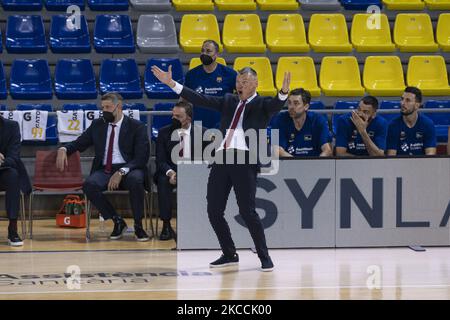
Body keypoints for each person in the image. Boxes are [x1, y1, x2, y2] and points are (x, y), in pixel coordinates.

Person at [152, 64, 291, 272]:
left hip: (244, 161)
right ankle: (229, 253)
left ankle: (264, 255)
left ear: (255, 84)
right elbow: (199, 99)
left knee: (247, 211)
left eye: (245, 82)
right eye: (238, 81)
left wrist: (283, 93)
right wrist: (171, 83)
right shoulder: (228, 100)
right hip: (222, 159)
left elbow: (275, 106)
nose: (240, 85)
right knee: (214, 210)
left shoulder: (262, 104)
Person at [56, 93, 150, 241]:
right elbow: (80, 143)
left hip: (129, 168)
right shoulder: (98, 124)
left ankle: (138, 226)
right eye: (103, 107)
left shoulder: (136, 127)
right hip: (105, 169)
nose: (104, 111)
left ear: (119, 107)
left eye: (108, 107)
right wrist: (64, 149)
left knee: (136, 180)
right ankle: (117, 220)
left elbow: (141, 157)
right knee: (89, 185)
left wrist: (122, 171)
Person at [154, 100, 208, 241]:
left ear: (188, 119)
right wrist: (171, 173)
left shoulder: (204, 133)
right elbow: (160, 161)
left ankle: (201, 224)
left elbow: (208, 160)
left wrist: (193, 173)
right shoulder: (164, 132)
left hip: (194, 173)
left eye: (178, 117)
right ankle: (166, 225)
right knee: (162, 181)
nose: (174, 119)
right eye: (173, 115)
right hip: (171, 172)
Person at [184, 39, 237, 129]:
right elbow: (183, 99)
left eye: (208, 51)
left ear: (216, 54)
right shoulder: (191, 75)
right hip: (198, 125)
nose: (204, 54)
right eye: (202, 51)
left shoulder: (229, 74)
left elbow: (242, 95)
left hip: (223, 125)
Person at [273, 88, 332, 157]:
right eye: (289, 103)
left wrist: (316, 165)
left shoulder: (319, 120)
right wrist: (298, 165)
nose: (291, 107)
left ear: (306, 106)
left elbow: (327, 150)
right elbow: (276, 150)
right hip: (289, 165)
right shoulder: (279, 119)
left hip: (314, 165)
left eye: (296, 103)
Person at [0, 117, 31, 246]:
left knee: (13, 175)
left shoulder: (11, 126)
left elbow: (13, 157)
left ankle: (13, 228)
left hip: (4, 170)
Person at [386, 87, 436, 156]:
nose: (402, 103)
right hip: (399, 165)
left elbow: (430, 155)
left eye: (408, 100)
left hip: (422, 165)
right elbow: (391, 156)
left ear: (417, 105)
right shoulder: (393, 125)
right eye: (402, 99)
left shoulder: (428, 124)